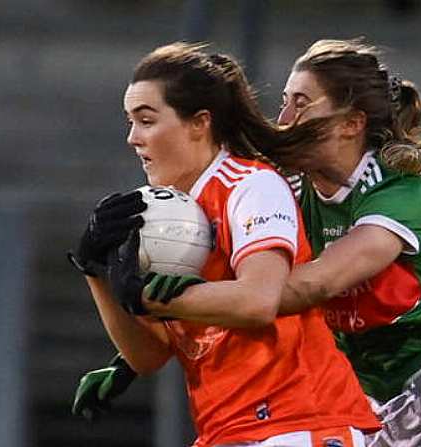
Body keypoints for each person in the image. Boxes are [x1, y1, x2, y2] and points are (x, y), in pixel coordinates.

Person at [67, 42, 380, 447]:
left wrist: (147, 298)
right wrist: (96, 272)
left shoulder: (250, 185)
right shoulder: (162, 216)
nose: (132, 138)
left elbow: (258, 301)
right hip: (230, 429)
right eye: (130, 121)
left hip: (299, 422)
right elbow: (148, 356)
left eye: (146, 120)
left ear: (200, 123)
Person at [261, 38, 421, 447]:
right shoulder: (286, 189)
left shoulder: (401, 194)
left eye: (303, 104)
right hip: (357, 400)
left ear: (352, 123)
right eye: (285, 101)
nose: (284, 118)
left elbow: (317, 284)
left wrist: (202, 300)